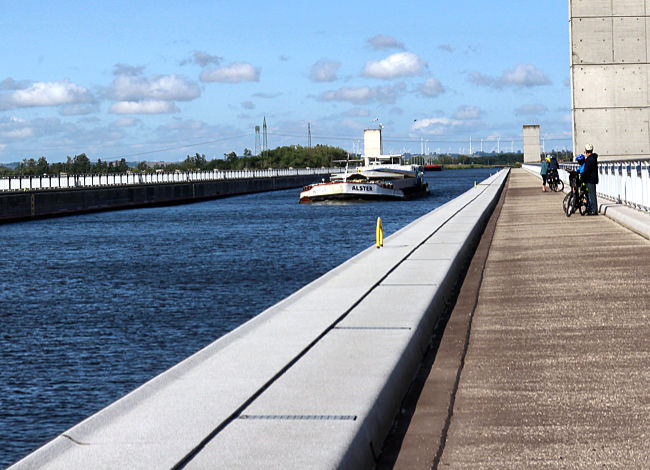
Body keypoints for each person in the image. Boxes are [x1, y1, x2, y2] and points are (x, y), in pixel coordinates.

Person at [582, 144, 599, 215]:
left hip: (590, 179)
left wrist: (582, 175)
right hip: (593, 178)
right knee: (591, 194)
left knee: (591, 195)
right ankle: (592, 208)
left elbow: (587, 170)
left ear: (586, 151)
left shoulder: (589, 159)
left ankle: (594, 210)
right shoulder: (593, 158)